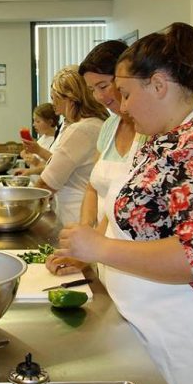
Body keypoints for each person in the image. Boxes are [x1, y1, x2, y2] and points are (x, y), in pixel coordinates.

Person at [54, 22, 193, 384]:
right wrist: (90, 247)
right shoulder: (165, 139)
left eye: (125, 93)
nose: (120, 106)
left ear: (158, 85)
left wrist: (99, 249)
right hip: (168, 321)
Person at [47, 41, 142, 279]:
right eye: (92, 90)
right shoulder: (110, 127)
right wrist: (84, 232)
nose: (99, 97)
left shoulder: (149, 130)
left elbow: (120, 198)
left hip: (126, 252)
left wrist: (93, 245)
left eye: (103, 86)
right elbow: (92, 186)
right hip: (103, 251)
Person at [34, 66, 109, 225]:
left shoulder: (81, 130)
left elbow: (47, 183)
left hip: (75, 213)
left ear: (70, 98)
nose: (52, 102)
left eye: (54, 97)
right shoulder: (97, 123)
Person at [16, 102, 60, 174]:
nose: (34, 124)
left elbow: (54, 169)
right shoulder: (42, 138)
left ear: (50, 122)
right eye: (34, 120)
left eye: (38, 121)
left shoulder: (56, 141)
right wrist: (27, 156)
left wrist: (36, 162)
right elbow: (33, 162)